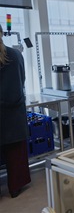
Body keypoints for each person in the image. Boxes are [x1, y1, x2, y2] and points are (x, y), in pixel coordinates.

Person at [0, 24, 31, 197]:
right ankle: (15, 187)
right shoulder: (16, 54)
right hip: (14, 110)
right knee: (16, 153)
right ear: (2, 33)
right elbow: (22, 79)